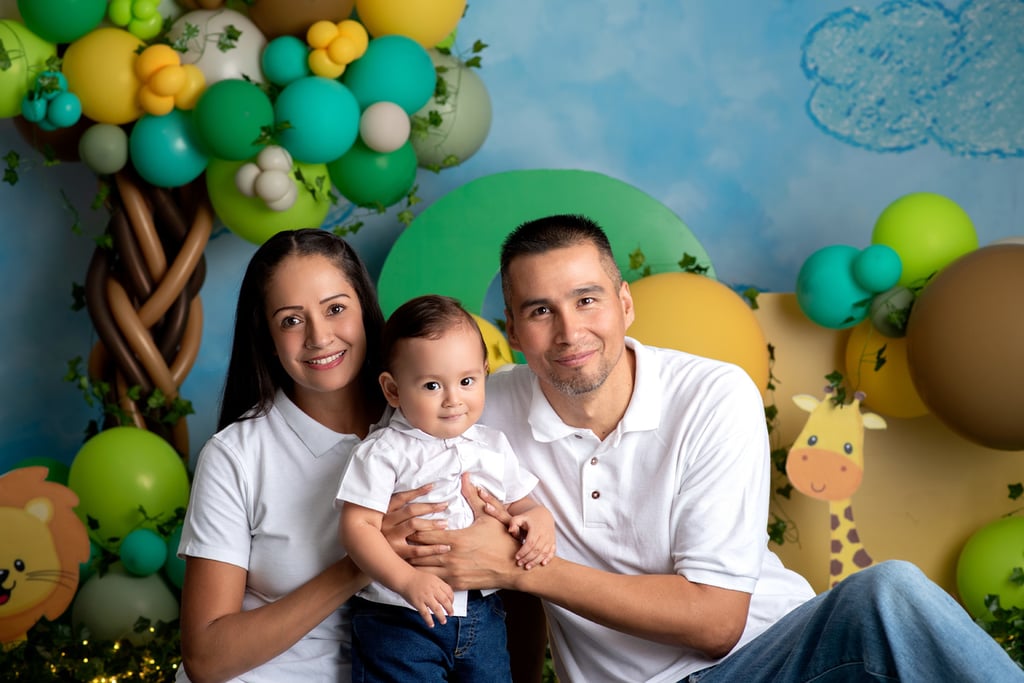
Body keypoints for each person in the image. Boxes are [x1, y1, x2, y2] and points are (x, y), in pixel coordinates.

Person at [409, 214, 1024, 682]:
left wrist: (521, 568)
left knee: (888, 593)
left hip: (773, 659)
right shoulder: (475, 411)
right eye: (541, 311)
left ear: (625, 304)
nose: (571, 332)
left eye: (587, 300)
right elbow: (391, 469)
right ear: (513, 332)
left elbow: (715, 624)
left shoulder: (710, 394)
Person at [175, 229, 450, 683]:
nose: (319, 337)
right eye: (290, 320)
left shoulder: (431, 423)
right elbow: (205, 659)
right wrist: (362, 561)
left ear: (364, 309)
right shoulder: (235, 456)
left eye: (336, 309)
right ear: (266, 335)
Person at [336, 294, 555, 682]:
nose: (454, 399)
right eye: (432, 385)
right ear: (393, 390)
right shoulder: (383, 452)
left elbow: (523, 503)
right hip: (400, 616)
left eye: (467, 381)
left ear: (485, 373)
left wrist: (539, 520)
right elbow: (358, 529)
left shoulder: (491, 444)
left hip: (482, 612)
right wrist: (406, 580)